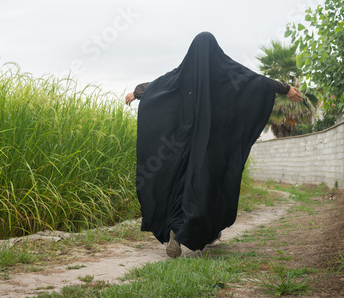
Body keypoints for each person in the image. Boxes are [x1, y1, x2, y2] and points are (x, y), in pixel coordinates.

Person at [125, 32, 301, 258]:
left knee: (178, 186)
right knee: (205, 189)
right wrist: (285, 89)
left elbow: (160, 86)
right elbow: (254, 81)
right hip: (209, 150)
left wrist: (137, 92)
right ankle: (184, 235)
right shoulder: (225, 74)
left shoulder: (182, 75)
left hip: (180, 149)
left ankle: (176, 232)